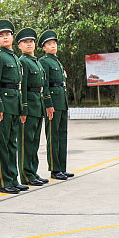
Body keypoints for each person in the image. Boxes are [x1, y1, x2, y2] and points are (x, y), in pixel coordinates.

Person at [0, 19, 26, 194]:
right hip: (3, 105)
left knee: (12, 144)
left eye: (7, 35)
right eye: (1, 36)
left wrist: (21, 108)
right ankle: (4, 182)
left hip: (14, 104)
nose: (5, 38)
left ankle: (13, 178)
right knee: (2, 145)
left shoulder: (15, 58)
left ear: (12, 37)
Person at [16, 28, 49, 186]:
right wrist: (24, 107)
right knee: (26, 141)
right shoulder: (23, 62)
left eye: (31, 42)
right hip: (29, 104)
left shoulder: (36, 62)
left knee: (34, 142)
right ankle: (26, 174)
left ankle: (33, 172)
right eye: (25, 42)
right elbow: (22, 87)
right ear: (19, 46)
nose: (29, 44)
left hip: (38, 104)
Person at [38, 30, 72, 180]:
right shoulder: (44, 62)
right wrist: (48, 103)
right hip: (53, 103)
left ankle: (62, 167)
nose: (53, 46)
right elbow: (44, 84)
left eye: (54, 43)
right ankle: (54, 169)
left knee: (62, 135)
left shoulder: (57, 61)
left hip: (61, 102)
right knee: (53, 136)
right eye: (49, 44)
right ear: (44, 48)